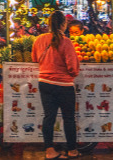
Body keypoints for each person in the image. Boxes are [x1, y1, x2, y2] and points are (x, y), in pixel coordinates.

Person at [31, 11, 79, 159]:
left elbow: (34, 59)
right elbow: (73, 68)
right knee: (69, 118)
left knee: (49, 117)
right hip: (64, 85)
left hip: (45, 84)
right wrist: (72, 73)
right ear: (64, 24)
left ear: (49, 24)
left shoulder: (38, 40)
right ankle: (72, 150)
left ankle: (50, 151)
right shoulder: (66, 42)